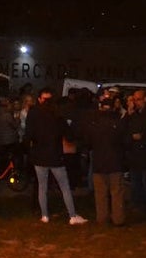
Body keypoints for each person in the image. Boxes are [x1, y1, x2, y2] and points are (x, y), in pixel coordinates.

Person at [24, 88, 88, 225]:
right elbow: (69, 134)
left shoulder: (34, 113)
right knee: (64, 186)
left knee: (42, 187)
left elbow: (28, 134)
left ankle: (45, 215)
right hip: (55, 156)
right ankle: (72, 215)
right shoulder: (57, 114)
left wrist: (30, 150)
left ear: (40, 99)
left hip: (39, 156)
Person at [79, 91, 127, 226]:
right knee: (116, 193)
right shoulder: (118, 123)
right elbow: (125, 142)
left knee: (100, 194)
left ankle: (102, 218)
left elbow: (87, 142)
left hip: (99, 162)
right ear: (113, 107)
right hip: (115, 162)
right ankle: (118, 218)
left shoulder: (94, 124)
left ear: (100, 107)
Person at [122, 88, 146, 218]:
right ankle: (136, 202)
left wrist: (143, 136)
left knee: (145, 181)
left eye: (138, 99)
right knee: (135, 181)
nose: (136, 102)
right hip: (134, 155)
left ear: (145, 99)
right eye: (134, 99)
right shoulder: (133, 114)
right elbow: (124, 129)